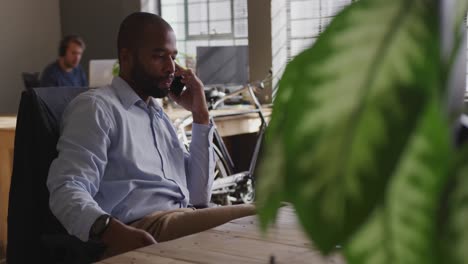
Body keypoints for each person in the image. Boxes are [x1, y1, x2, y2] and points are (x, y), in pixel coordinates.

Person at [46, 12, 255, 259]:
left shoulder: (158, 115)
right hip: (142, 228)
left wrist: (200, 115)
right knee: (271, 216)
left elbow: (199, 195)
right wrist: (110, 231)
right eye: (158, 57)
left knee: (277, 219)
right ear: (126, 57)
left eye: (173, 57)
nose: (171, 68)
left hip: (183, 218)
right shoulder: (97, 108)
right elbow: (66, 187)